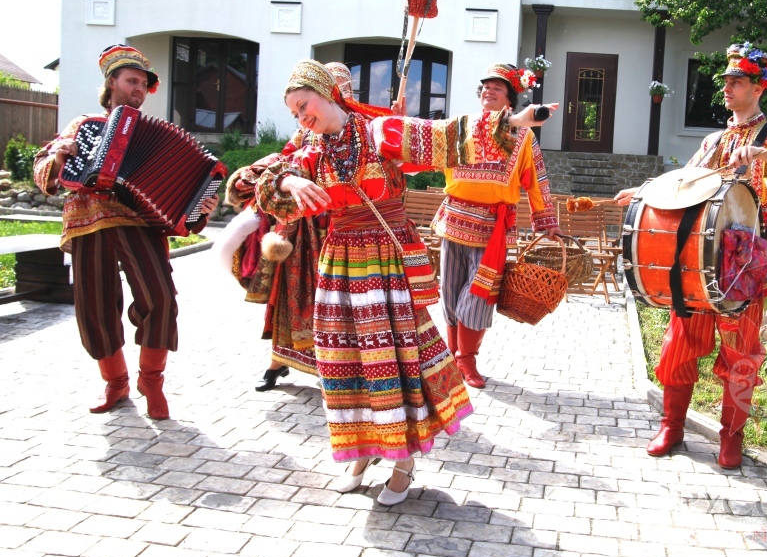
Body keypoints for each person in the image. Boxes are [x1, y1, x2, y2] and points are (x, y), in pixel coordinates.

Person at [254, 59, 554, 505]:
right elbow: (259, 184)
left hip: (385, 261)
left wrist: (511, 122)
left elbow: (446, 137)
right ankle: (362, 451)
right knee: (343, 361)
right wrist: (288, 180)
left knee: (390, 360)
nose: (302, 116)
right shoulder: (310, 151)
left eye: (304, 105)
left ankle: (402, 459)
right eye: (294, 112)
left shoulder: (380, 132)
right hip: (338, 264)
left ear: (327, 93)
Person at [614, 43, 767, 468]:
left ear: (759, 88)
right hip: (695, 259)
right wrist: (644, 192)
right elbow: (685, 184)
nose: (726, 88)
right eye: (726, 81)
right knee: (680, 343)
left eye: (736, 81)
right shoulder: (714, 140)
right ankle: (672, 425)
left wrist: (766, 155)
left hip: (745, 263)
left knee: (741, 353)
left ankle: (731, 437)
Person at [32, 44, 219, 420]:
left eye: (143, 84)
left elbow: (183, 197)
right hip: (88, 224)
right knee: (95, 308)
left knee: (161, 299)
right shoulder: (84, 125)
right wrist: (59, 155)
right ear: (111, 83)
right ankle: (116, 383)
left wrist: (200, 208)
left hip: (139, 224)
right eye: (132, 81)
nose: (138, 89)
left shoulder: (158, 137)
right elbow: (43, 166)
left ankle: (151, 381)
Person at [221, 63, 360, 392]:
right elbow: (286, 159)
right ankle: (278, 362)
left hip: (348, 232)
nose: (341, 92)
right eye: (335, 85)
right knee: (290, 298)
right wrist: (268, 175)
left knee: (343, 305)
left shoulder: (362, 128)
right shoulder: (307, 131)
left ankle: (339, 369)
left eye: (345, 87)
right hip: (304, 230)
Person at [428, 63, 561, 389]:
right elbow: (429, 152)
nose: (489, 90)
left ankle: (466, 359)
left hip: (493, 228)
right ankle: (453, 356)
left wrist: (545, 219)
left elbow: (536, 179)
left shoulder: (523, 136)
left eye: (497, 88)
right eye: (486, 86)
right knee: (450, 292)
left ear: (510, 99)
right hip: (455, 219)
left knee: (480, 294)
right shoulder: (461, 127)